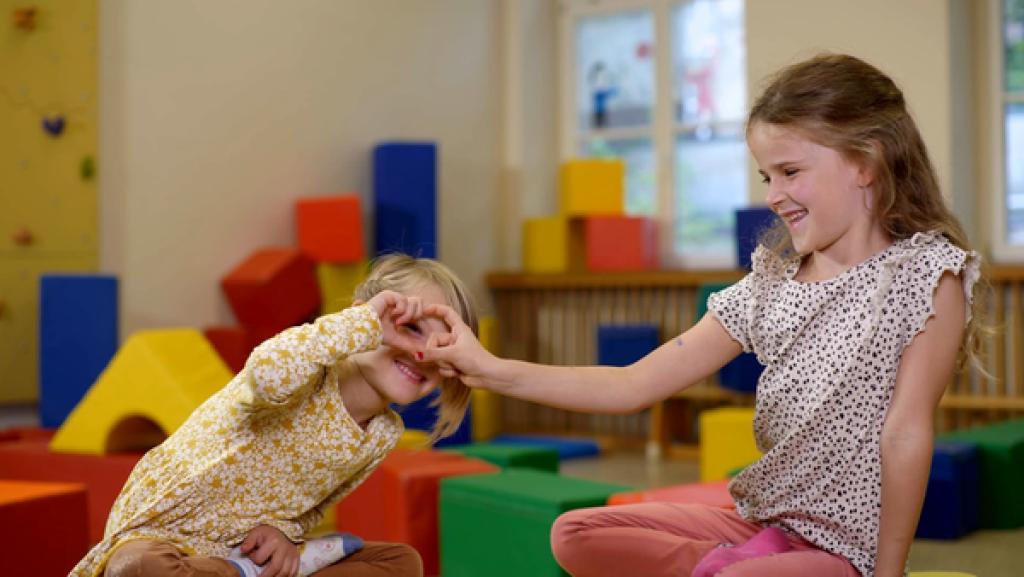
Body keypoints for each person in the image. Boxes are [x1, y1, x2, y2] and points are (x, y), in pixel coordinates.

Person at [422, 53, 985, 577]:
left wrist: (887, 573)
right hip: (765, 521)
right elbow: (631, 385)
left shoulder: (925, 274)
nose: (773, 194)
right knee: (575, 533)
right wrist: (488, 367)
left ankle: (734, 566)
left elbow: (906, 433)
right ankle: (732, 562)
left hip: (843, 549)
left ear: (865, 161)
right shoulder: (768, 287)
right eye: (768, 177)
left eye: (790, 171)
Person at [70, 254, 478, 577]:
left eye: (442, 346)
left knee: (401, 563)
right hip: (167, 536)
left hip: (244, 548)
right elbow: (265, 374)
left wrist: (284, 533)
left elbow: (314, 505)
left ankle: (246, 570)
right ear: (362, 319)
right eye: (411, 328)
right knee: (139, 568)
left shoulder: (383, 432)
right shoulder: (308, 368)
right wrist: (360, 325)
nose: (423, 354)